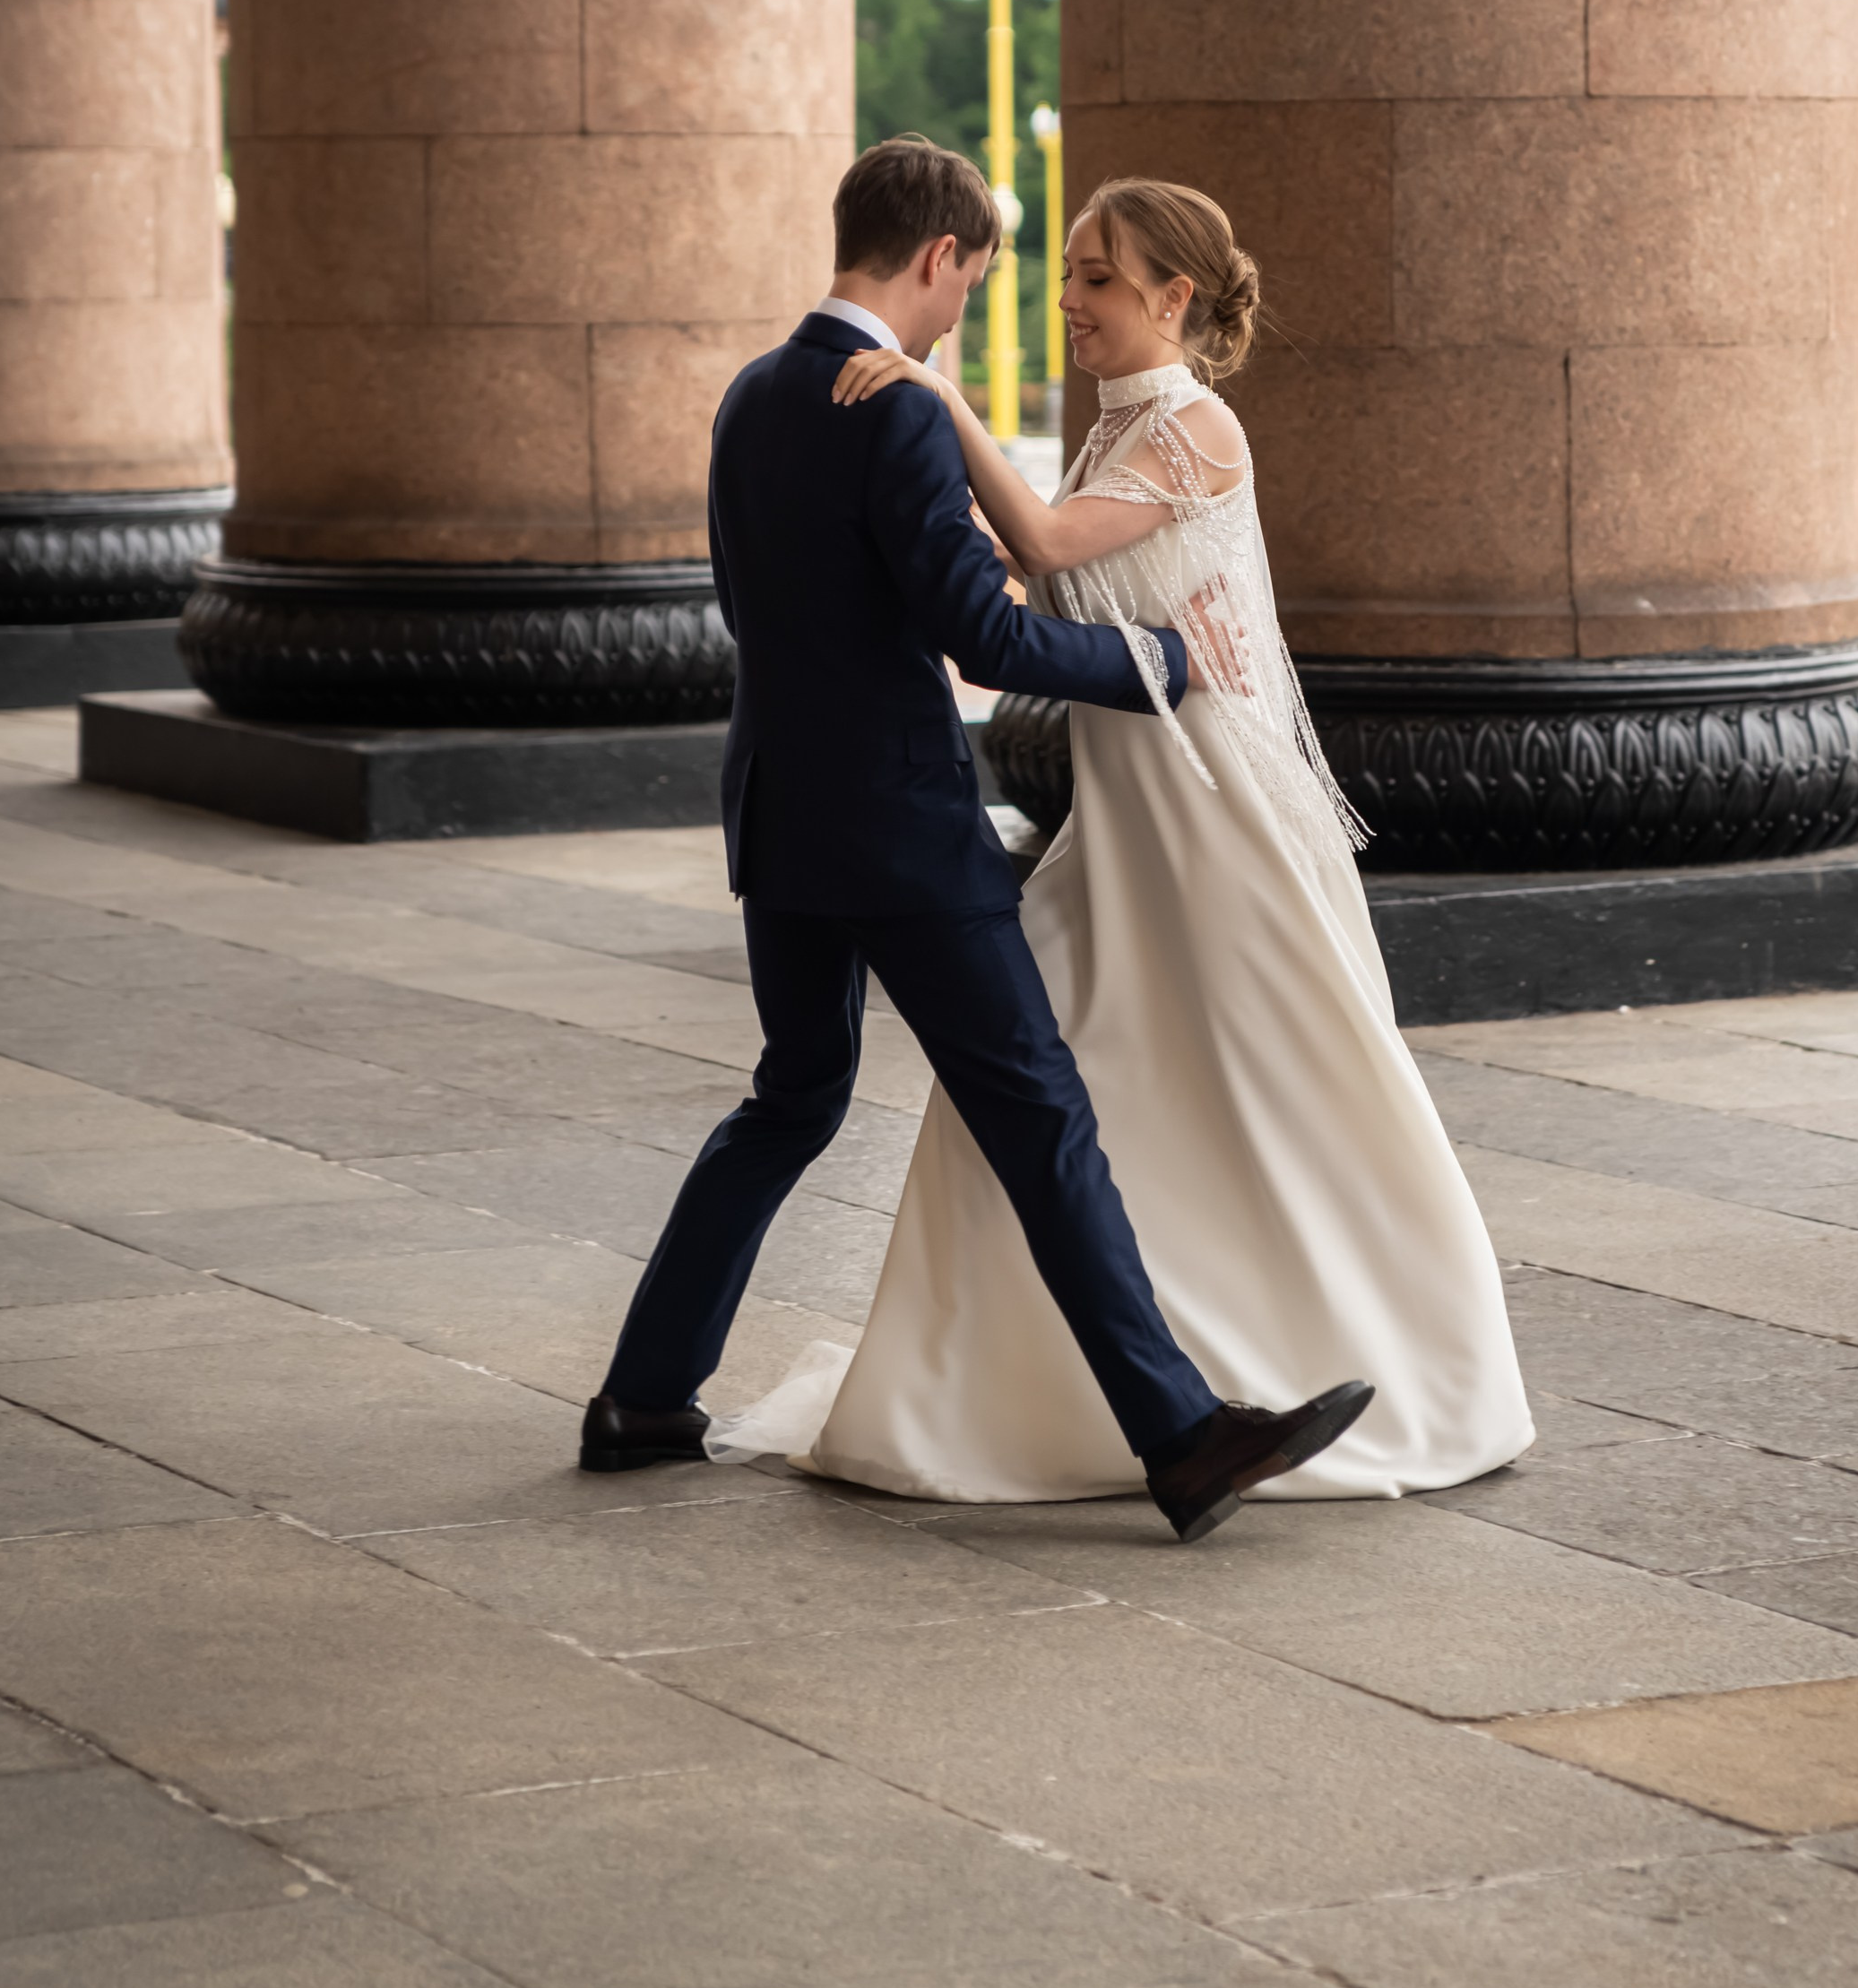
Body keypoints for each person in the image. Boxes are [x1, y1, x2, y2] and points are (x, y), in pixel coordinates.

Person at [580, 137, 1372, 1542]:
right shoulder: (885, 407)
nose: (967, 314)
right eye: (978, 280)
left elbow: (752, 603)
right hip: (899, 831)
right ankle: (1180, 1435)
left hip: (777, 808)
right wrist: (1162, 669)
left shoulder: (751, 395)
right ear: (940, 255)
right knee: (1039, 1117)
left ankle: (642, 1398)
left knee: (791, 1096)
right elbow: (987, 633)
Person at [716, 174, 1534, 1504]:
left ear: (1173, 297)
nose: (1069, 299)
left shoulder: (1198, 428)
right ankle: (1018, 1390)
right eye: (1067, 273)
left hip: (1211, 807)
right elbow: (1027, 575)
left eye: (1099, 277)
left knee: (1280, 1072)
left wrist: (934, 396)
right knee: (1055, 1088)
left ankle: (1393, 1355)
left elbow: (1035, 543)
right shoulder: (1112, 436)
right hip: (1126, 808)